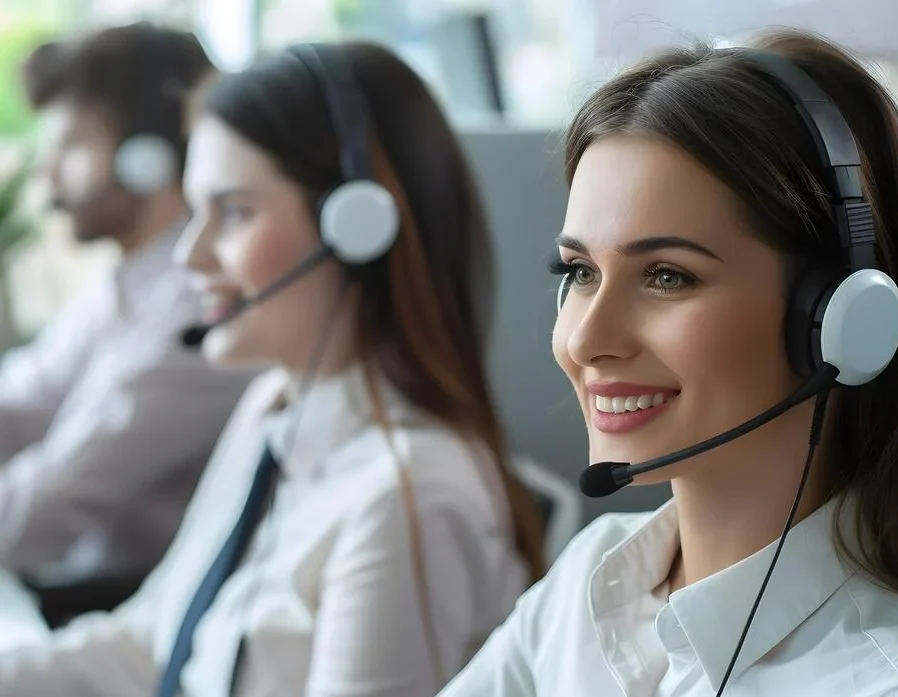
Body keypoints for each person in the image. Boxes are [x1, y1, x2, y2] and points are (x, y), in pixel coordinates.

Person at [439, 29, 898, 697]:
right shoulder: (594, 578)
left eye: (667, 276)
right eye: (580, 271)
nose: (585, 339)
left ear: (835, 317)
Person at [0, 40, 545, 697]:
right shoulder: (274, 406)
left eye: (232, 213)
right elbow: (148, 641)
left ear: (355, 227)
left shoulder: (408, 497)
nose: (189, 256)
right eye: (196, 212)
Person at [0, 23, 255, 587]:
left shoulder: (201, 304)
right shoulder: (124, 286)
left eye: (70, 145)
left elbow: (49, 506)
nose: (47, 175)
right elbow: (21, 403)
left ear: (148, 157)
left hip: (128, 602)